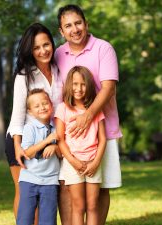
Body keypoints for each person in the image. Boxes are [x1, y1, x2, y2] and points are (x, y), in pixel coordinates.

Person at [55, 4, 122, 225]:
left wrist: (88, 115)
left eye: (78, 23)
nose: (74, 29)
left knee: (101, 189)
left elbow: (109, 87)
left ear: (86, 24)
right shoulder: (58, 54)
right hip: (70, 137)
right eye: (68, 25)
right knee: (67, 187)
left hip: (103, 130)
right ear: (61, 31)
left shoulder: (103, 48)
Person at [5, 22, 63, 223]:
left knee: (47, 195)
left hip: (52, 138)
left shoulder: (60, 71)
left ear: (52, 44)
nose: (42, 51)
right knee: (25, 194)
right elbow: (17, 116)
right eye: (36, 47)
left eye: (46, 45)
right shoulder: (24, 76)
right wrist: (18, 147)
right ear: (30, 51)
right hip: (22, 140)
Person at [55, 66, 106, 225]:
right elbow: (60, 139)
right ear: (69, 85)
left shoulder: (95, 110)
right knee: (78, 206)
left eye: (83, 84)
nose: (79, 88)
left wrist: (96, 162)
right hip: (72, 163)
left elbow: (102, 139)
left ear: (89, 86)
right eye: (75, 84)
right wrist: (73, 161)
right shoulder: (63, 108)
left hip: (93, 163)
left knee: (92, 206)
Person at [17, 88, 60, 225]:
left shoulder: (56, 129)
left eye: (45, 103)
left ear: (51, 105)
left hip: (50, 181)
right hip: (29, 179)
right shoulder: (30, 128)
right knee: (25, 219)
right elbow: (28, 153)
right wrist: (47, 141)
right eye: (36, 106)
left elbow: (62, 153)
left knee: (48, 220)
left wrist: (55, 146)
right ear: (30, 111)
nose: (42, 107)